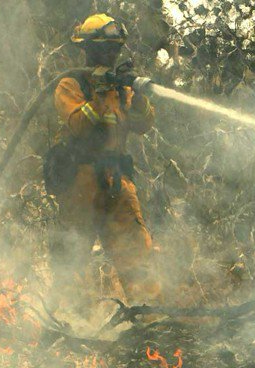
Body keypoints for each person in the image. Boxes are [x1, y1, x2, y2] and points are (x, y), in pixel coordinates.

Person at [46, 13, 160, 310]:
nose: (110, 54)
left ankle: (147, 318)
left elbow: (144, 124)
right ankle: (66, 319)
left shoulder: (123, 88)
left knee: (135, 250)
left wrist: (140, 101)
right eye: (104, 48)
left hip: (117, 180)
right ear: (88, 49)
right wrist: (97, 94)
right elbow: (80, 125)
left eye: (115, 48)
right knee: (71, 253)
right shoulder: (70, 85)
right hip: (81, 182)